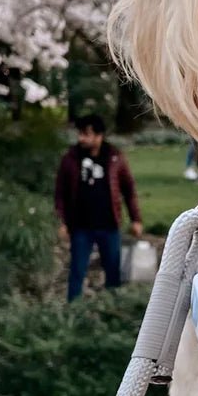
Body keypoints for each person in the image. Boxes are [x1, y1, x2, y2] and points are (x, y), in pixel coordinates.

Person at [54, 113, 143, 300]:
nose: (81, 138)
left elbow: (129, 190)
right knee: (77, 271)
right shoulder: (71, 158)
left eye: (86, 134)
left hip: (109, 225)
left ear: (99, 135)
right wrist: (62, 221)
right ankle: (73, 309)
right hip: (80, 226)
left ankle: (112, 308)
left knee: (113, 272)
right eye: (80, 134)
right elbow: (60, 192)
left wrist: (136, 219)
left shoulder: (115, 158)